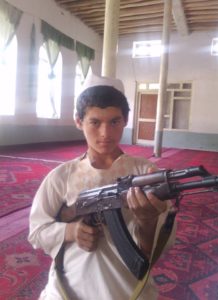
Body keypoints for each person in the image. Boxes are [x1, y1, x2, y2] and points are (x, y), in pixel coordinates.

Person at [28, 73, 176, 300]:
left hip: (128, 287)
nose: (105, 133)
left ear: (126, 120)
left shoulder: (146, 174)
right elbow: (37, 231)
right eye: (95, 122)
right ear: (79, 121)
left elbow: (152, 250)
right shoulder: (61, 177)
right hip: (68, 287)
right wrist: (70, 231)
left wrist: (148, 222)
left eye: (114, 121)